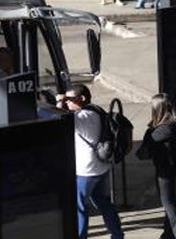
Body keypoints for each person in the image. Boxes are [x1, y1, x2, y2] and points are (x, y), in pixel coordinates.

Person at [56, 85, 124, 239]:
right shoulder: (96, 110)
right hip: (101, 166)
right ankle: (117, 235)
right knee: (105, 204)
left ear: (82, 99)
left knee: (79, 207)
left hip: (86, 171)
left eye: (69, 99)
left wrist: (59, 103)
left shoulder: (82, 117)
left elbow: (58, 118)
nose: (67, 102)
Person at [136, 94, 176, 239]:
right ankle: (169, 233)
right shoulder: (174, 124)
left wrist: (149, 131)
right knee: (169, 202)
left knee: (169, 204)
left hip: (165, 169)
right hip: (172, 166)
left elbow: (143, 151)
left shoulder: (161, 130)